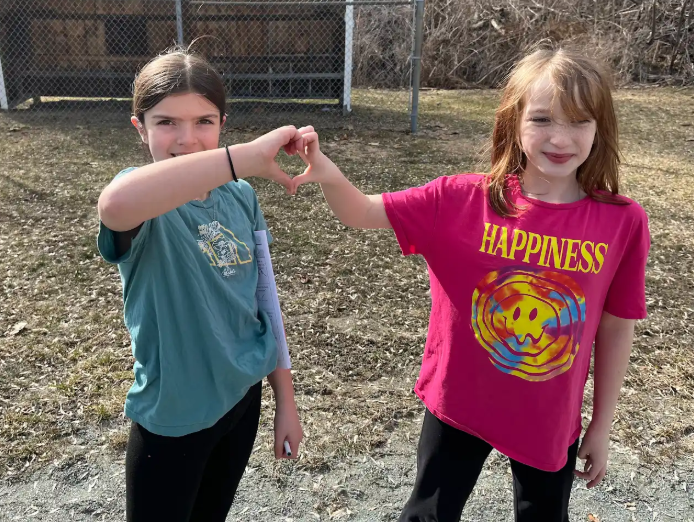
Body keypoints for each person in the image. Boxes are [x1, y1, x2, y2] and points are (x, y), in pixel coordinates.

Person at [291, 44, 650, 521]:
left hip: (546, 417)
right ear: (514, 122)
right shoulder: (461, 200)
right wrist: (327, 172)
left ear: (600, 128)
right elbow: (362, 212)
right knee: (428, 514)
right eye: (542, 119)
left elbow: (616, 327)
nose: (560, 137)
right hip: (458, 403)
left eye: (579, 121)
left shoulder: (621, 222)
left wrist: (602, 425)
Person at [97, 46, 304, 522]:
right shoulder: (144, 197)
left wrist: (285, 401)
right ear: (140, 127)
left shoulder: (241, 195)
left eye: (204, 122)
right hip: (173, 417)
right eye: (167, 122)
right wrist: (244, 157)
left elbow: (264, 297)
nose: (187, 139)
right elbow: (114, 207)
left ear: (222, 124)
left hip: (241, 399)